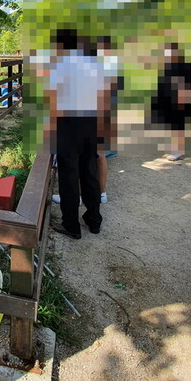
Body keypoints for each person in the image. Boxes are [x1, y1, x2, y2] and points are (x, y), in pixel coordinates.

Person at [44, 29, 115, 238]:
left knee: (69, 175)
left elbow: (53, 100)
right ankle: (94, 220)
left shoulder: (60, 65)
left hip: (69, 123)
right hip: (92, 122)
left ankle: (71, 225)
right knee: (88, 171)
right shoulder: (95, 64)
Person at [149, 42, 191, 161]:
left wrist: (183, 98)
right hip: (168, 99)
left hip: (179, 100)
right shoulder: (167, 66)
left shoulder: (185, 66)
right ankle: (175, 148)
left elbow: (188, 84)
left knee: (178, 126)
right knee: (172, 126)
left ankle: (178, 150)